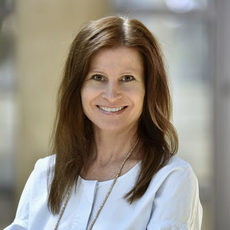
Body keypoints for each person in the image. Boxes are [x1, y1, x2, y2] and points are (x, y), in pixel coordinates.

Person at [5, 16, 203, 230]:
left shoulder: (171, 180)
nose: (111, 95)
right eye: (98, 77)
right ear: (78, 88)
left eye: (127, 78)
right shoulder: (45, 174)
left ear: (149, 89)